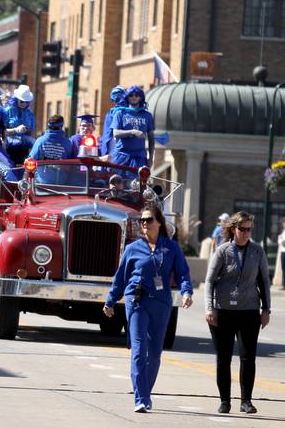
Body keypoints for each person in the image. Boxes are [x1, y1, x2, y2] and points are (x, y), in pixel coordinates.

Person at [103, 203, 193, 413]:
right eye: (141, 220)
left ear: (159, 223)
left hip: (161, 303)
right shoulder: (132, 249)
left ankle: (145, 392)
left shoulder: (171, 248)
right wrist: (110, 301)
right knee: (138, 349)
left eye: (148, 220)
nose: (144, 224)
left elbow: (182, 273)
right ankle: (140, 398)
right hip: (137, 301)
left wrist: (187, 292)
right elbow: (121, 278)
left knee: (154, 354)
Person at [204, 211, 271, 414]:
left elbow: (264, 281)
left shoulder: (258, 251)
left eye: (249, 229)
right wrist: (209, 307)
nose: (245, 233)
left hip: (249, 311)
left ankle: (246, 401)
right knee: (223, 359)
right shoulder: (223, 251)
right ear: (233, 229)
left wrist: (266, 309)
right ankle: (225, 401)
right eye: (242, 229)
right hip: (223, 312)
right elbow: (209, 280)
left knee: (248, 358)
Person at [110, 86, 155, 168]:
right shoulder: (120, 113)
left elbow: (151, 139)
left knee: (137, 181)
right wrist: (133, 132)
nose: (134, 97)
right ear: (127, 97)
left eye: (137, 95)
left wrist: (151, 158)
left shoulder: (147, 115)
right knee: (119, 180)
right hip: (121, 156)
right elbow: (115, 133)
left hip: (140, 158)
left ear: (141, 97)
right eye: (131, 95)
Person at [28, 115, 77, 185]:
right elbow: (71, 163)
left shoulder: (40, 141)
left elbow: (31, 159)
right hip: (62, 184)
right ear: (62, 126)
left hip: (42, 183)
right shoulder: (68, 143)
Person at [2, 85, 36, 167]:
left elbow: (32, 131)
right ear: (16, 99)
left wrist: (27, 130)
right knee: (11, 166)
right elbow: (2, 130)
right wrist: (15, 130)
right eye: (21, 101)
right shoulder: (8, 111)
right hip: (9, 146)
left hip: (25, 146)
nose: (24, 104)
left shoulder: (29, 114)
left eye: (26, 102)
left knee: (23, 167)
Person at [100, 86, 126, 158]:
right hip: (113, 145)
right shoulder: (110, 113)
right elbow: (107, 134)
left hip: (120, 146)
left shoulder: (113, 113)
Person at [274, 216, 285, 290]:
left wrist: (282, 241)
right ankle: (283, 284)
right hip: (283, 251)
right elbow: (280, 240)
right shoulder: (283, 231)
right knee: (283, 268)